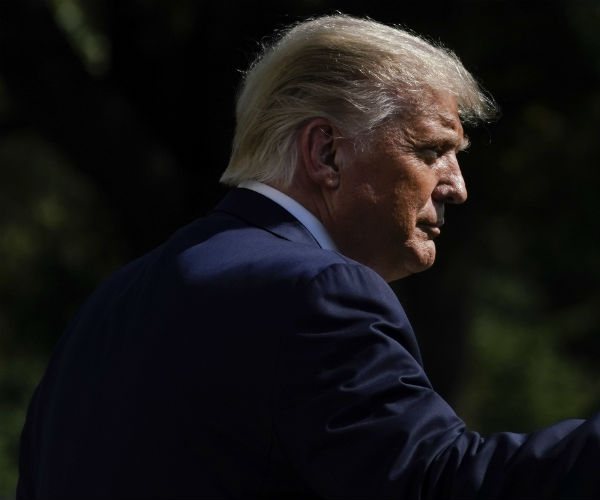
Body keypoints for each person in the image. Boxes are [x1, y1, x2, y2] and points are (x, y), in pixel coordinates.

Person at [17, 14, 600, 499]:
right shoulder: (315, 292)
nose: (457, 186)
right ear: (325, 152)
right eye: (432, 150)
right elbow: (438, 484)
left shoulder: (109, 306)